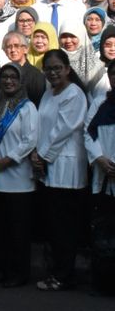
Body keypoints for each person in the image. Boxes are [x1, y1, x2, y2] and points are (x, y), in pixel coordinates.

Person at [32, 49, 88, 291]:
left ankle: (64, 276)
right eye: (49, 68)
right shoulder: (48, 93)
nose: (53, 72)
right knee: (53, 226)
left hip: (67, 168)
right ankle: (58, 271)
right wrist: (36, 153)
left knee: (64, 227)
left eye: (57, 67)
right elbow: (41, 127)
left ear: (67, 68)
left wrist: (42, 155)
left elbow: (63, 129)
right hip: (48, 166)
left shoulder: (74, 94)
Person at [0, 63, 38, 288]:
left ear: (20, 82)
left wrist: (5, 161)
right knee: (1, 231)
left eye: (13, 78)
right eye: (5, 77)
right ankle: (3, 269)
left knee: (19, 231)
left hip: (19, 178)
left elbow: (30, 140)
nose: (8, 81)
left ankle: (20, 273)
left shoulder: (28, 108)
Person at [84, 59, 115, 293]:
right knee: (102, 233)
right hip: (103, 176)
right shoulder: (99, 103)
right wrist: (100, 160)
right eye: (113, 74)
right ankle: (102, 282)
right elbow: (88, 132)